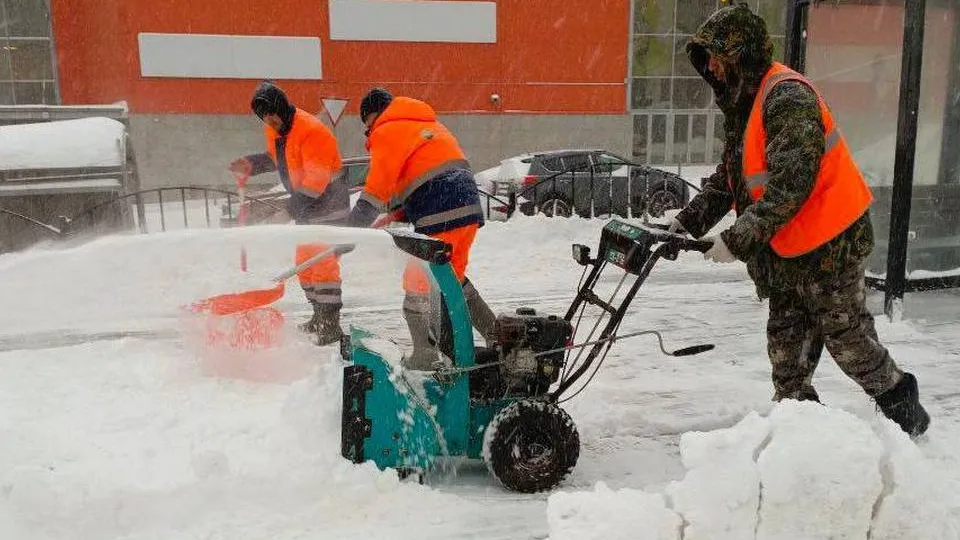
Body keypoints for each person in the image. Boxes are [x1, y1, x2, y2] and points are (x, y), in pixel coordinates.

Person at [669, 4, 929, 437]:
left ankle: (907, 416)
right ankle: (801, 441)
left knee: (848, 341)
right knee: (787, 353)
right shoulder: (744, 102)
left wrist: (737, 240)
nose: (711, 65)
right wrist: (685, 224)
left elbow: (792, 183)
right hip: (788, 248)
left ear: (742, 54)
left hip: (832, 243)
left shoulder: (787, 97)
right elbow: (730, 178)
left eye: (718, 55)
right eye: (707, 57)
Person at [346, 87, 497, 369]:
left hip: (440, 208)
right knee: (452, 280)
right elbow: (429, 170)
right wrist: (402, 210)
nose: (369, 134)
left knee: (418, 279)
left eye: (367, 126)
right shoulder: (425, 124)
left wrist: (351, 231)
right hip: (467, 206)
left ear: (373, 116)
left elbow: (374, 190)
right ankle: (495, 335)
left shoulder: (387, 129)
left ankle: (425, 355)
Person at [229, 81, 350, 347]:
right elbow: (277, 158)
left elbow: (316, 181)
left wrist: (288, 210)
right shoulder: (275, 130)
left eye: (271, 114)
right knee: (304, 266)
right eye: (263, 117)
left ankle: (330, 324)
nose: (268, 121)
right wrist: (251, 164)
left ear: (281, 108)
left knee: (322, 266)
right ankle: (319, 316)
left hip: (330, 205)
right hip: (308, 207)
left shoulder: (311, 131)